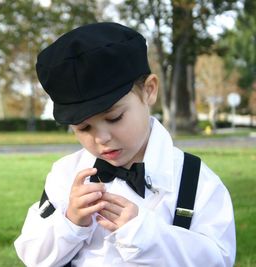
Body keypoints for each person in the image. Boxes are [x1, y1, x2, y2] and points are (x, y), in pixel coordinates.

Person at [14, 22, 236, 266]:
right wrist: (70, 222)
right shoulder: (65, 176)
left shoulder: (196, 182)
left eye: (114, 118)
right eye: (83, 128)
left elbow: (219, 259)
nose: (101, 138)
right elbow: (33, 256)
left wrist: (147, 235)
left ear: (149, 91)